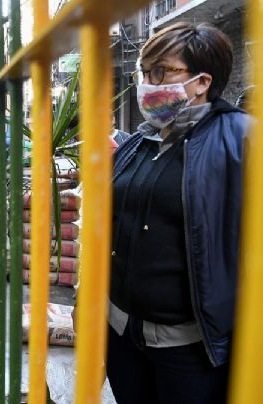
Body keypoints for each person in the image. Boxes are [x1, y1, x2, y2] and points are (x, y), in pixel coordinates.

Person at [108, 22, 247, 404]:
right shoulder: (139, 142)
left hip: (188, 347)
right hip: (120, 333)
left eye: (160, 71)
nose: (146, 84)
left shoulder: (241, 140)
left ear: (202, 81)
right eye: (144, 72)